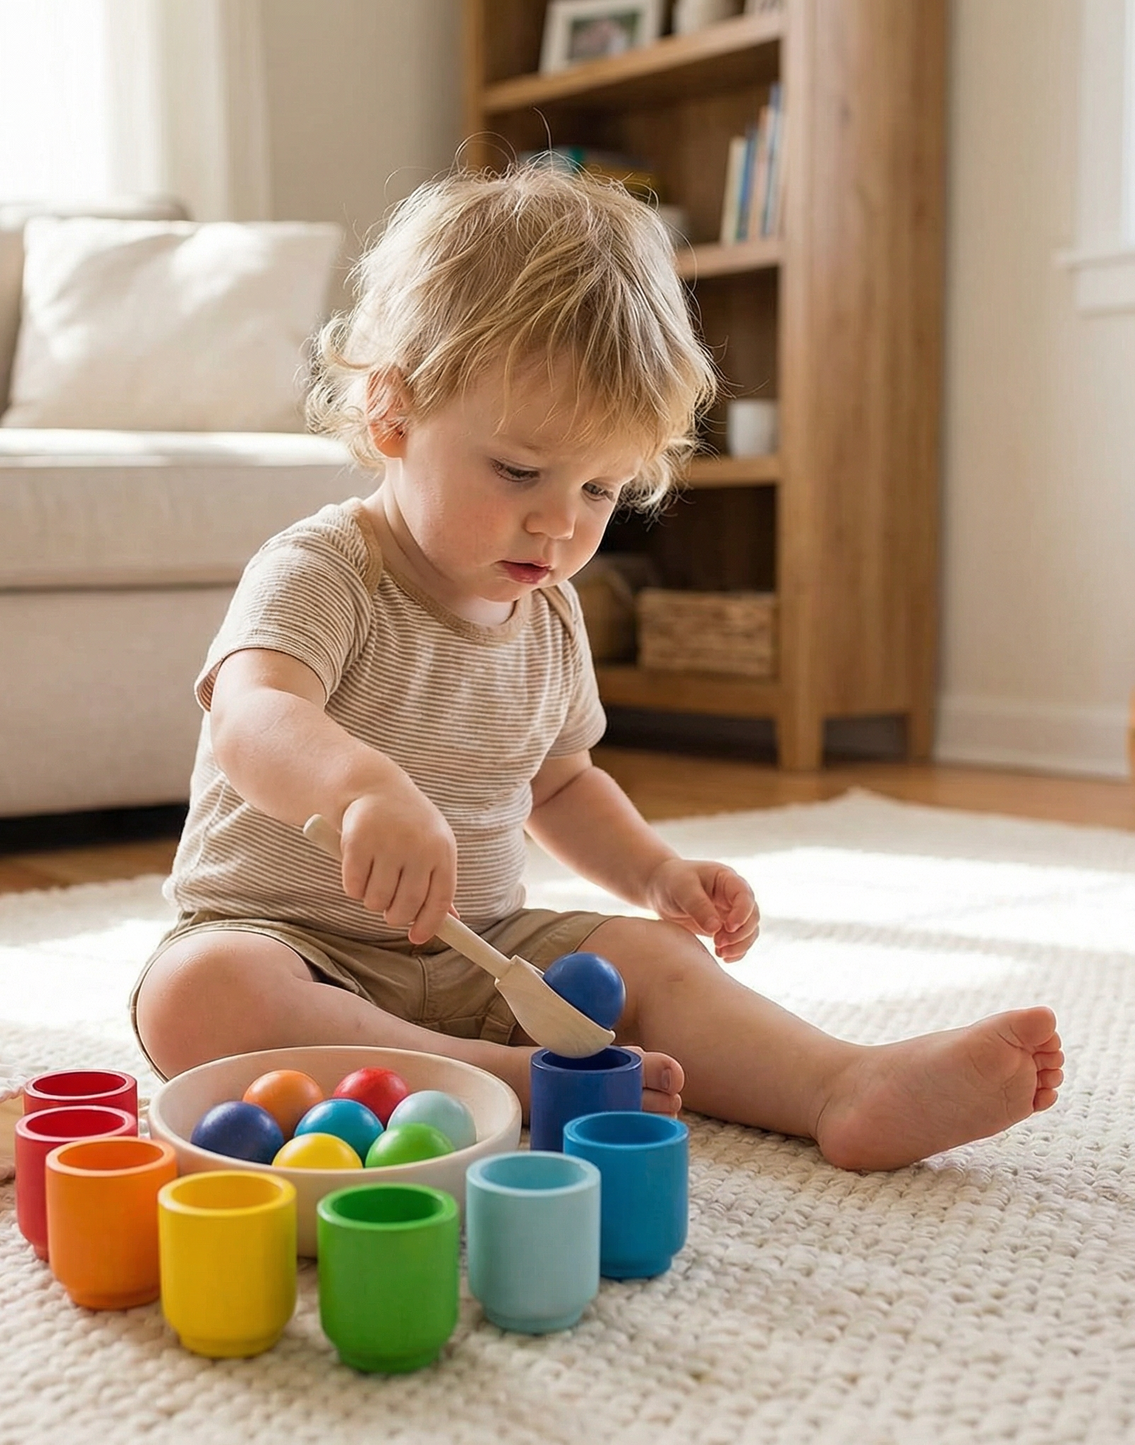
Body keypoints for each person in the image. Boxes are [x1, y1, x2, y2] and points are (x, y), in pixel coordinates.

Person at [131, 163, 1063, 1170]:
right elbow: (252, 710)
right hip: (288, 941)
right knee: (198, 996)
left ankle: (838, 1081)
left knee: (650, 961)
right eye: (518, 471)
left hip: (485, 957)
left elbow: (559, 780)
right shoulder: (324, 568)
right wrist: (360, 787)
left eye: (600, 487)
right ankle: (490, 1079)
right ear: (394, 416)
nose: (559, 521)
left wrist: (651, 869)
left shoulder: (552, 613)